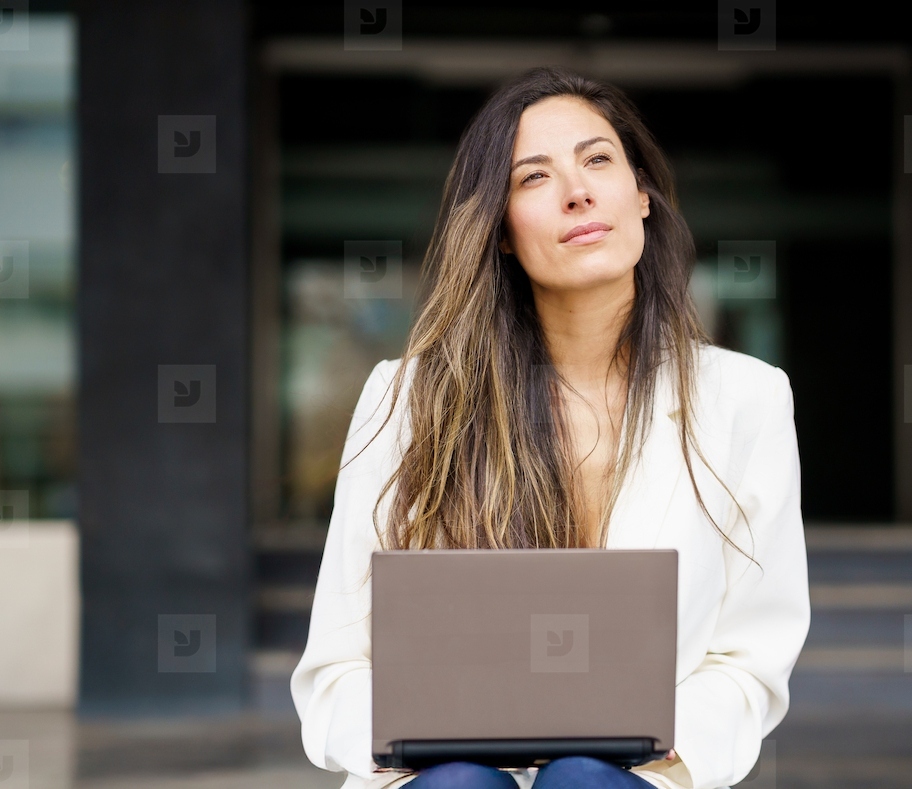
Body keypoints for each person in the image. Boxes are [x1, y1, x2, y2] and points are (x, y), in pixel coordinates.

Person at [290, 65, 811, 789]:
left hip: (639, 774)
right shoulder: (406, 398)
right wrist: (423, 738)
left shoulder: (746, 398)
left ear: (642, 194)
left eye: (598, 159)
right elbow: (338, 663)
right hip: (439, 776)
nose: (577, 191)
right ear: (500, 231)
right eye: (533, 177)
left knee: (582, 778)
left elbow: (750, 656)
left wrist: (649, 746)